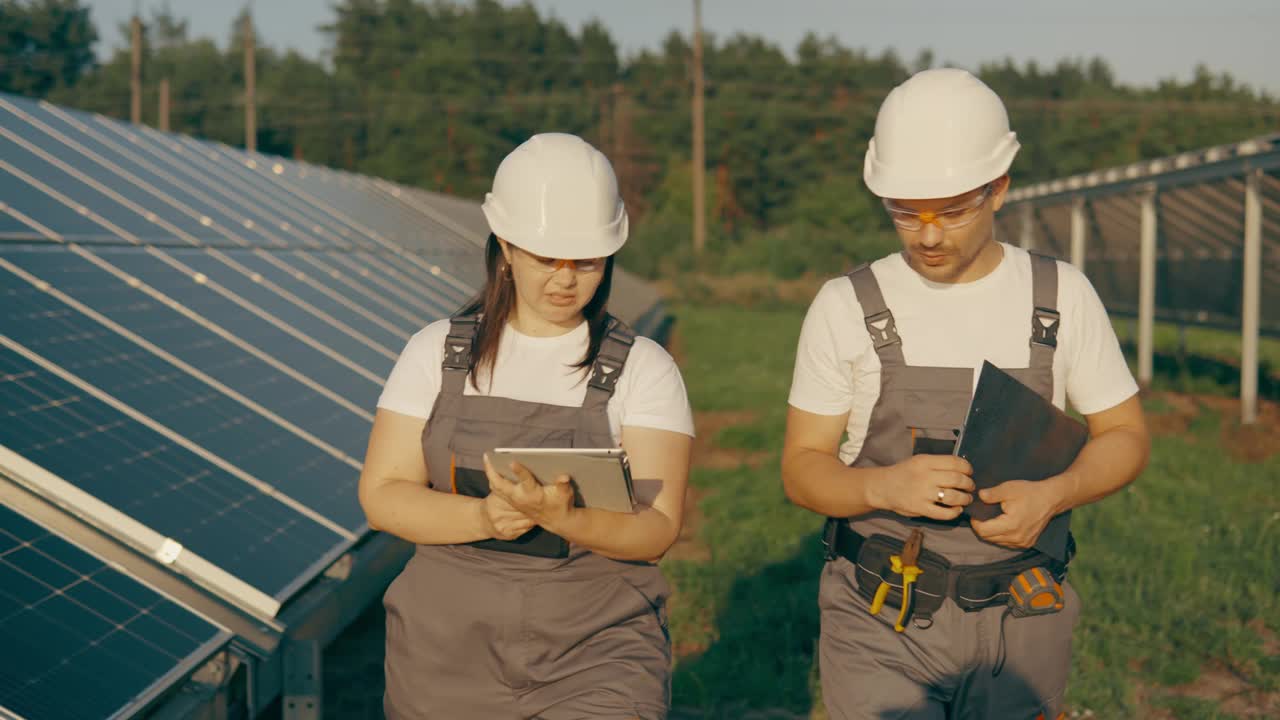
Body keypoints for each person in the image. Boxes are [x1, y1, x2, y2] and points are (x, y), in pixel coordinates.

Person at [781, 68, 1151, 719]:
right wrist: (881, 488)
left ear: (999, 188)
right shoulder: (846, 306)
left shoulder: (1061, 299)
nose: (927, 235)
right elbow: (801, 467)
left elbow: (1126, 436)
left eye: (952, 212)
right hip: (880, 617)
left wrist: (1055, 495)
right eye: (905, 212)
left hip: (1023, 617)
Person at [360, 133, 694, 720]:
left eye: (586, 259)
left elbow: (656, 528)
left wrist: (568, 520)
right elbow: (384, 496)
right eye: (547, 256)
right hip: (444, 655)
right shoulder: (434, 354)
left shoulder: (645, 368)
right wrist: (483, 517)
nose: (566, 278)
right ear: (506, 248)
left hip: (596, 645)